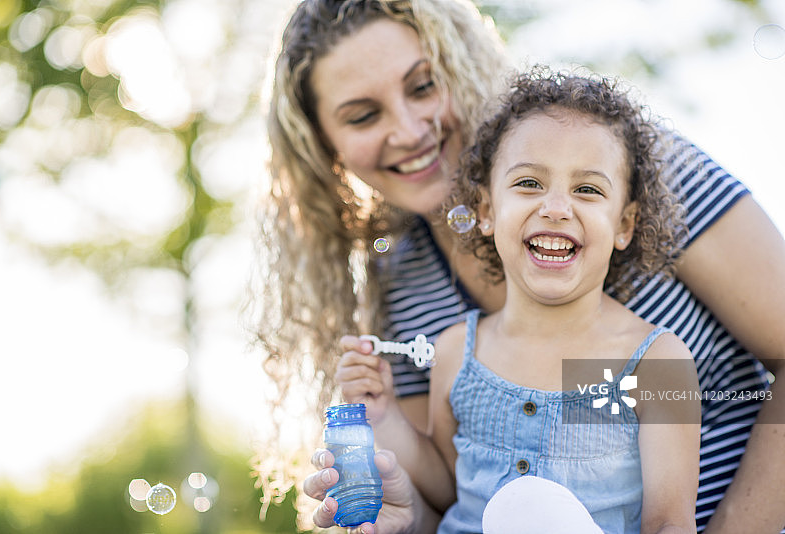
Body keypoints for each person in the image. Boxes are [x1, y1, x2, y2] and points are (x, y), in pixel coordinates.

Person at [256, 0, 785, 532]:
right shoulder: (407, 286)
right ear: (325, 147)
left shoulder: (633, 165)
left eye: (422, 86)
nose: (410, 129)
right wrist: (403, 510)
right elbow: (457, 489)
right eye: (364, 115)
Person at [337, 68, 703, 533]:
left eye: (587, 189)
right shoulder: (457, 351)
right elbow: (448, 487)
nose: (555, 207)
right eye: (529, 183)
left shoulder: (656, 363)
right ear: (487, 211)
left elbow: (670, 524)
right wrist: (384, 413)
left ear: (624, 225)